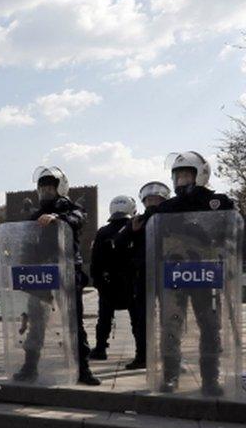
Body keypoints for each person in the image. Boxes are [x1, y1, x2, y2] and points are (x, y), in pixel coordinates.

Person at [148, 151, 236, 395]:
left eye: (187, 175)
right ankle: (170, 376)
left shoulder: (218, 202)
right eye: (178, 176)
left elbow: (233, 234)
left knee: (209, 326)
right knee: (171, 326)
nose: (181, 180)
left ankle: (210, 378)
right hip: (173, 275)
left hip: (207, 275)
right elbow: (151, 238)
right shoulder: (166, 208)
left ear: (200, 175)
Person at [14, 167, 100, 386]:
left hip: (66, 271)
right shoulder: (34, 215)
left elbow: (78, 219)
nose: (45, 192)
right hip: (41, 275)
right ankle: (30, 367)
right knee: (36, 323)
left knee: (73, 322)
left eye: (50, 187)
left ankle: (83, 369)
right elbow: (26, 244)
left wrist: (57, 217)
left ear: (60, 188)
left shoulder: (71, 208)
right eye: (42, 188)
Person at [114, 181, 170, 370]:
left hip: (168, 275)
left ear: (164, 200)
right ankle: (142, 356)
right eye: (149, 199)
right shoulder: (137, 220)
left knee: (170, 318)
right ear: (144, 201)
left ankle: (170, 356)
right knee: (141, 319)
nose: (153, 202)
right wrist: (131, 230)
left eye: (157, 198)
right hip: (143, 275)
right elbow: (118, 242)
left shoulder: (172, 217)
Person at [89, 195, 138, 361]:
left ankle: (100, 349)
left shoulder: (103, 232)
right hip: (132, 283)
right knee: (136, 320)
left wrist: (97, 282)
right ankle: (141, 353)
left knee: (104, 318)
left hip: (108, 283)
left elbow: (95, 260)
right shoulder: (135, 229)